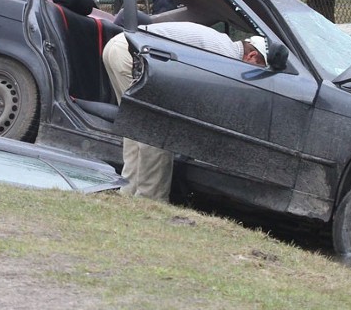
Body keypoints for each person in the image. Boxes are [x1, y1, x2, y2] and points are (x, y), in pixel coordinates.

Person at [102, 21, 267, 201]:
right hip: (133, 53)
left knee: (136, 128)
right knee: (157, 134)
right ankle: (149, 200)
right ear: (251, 56)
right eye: (260, 68)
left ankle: (128, 193)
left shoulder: (222, 44)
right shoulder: (225, 58)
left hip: (119, 46)